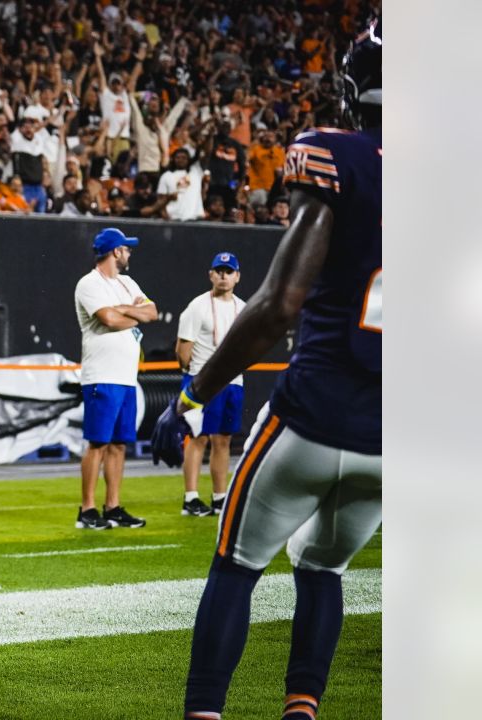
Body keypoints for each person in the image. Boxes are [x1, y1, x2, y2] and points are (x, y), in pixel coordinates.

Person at [152, 20, 382, 720]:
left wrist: (192, 393)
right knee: (323, 568)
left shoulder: (335, 154)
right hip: (396, 436)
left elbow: (279, 305)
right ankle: (301, 710)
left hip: (313, 413)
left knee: (236, 565)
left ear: (351, 84)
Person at [72, 228, 157, 531]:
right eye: (126, 248)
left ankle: (113, 506)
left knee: (120, 444)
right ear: (115, 252)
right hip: (102, 375)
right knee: (98, 443)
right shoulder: (89, 283)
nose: (129, 253)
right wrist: (133, 314)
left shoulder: (127, 282)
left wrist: (125, 310)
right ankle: (87, 509)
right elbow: (108, 319)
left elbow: (153, 312)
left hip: (125, 376)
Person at [175, 253, 247, 517]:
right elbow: (183, 350)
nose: (224, 276)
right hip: (202, 381)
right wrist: (193, 377)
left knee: (224, 439)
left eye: (229, 271)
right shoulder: (197, 306)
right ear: (211, 275)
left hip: (232, 382)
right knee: (197, 437)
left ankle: (219, 497)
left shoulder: (243, 307)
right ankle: (191, 497)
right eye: (219, 271)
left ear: (237, 276)